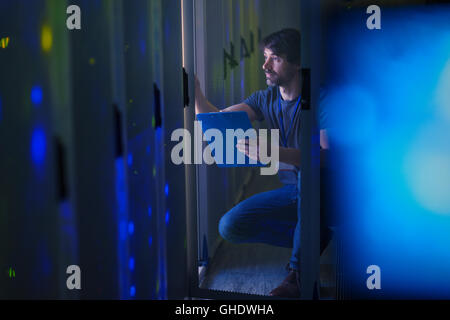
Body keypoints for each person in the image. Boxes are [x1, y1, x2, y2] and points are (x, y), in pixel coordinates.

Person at [194, 28, 331, 298]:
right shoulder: (265, 98)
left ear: (297, 63)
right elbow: (217, 121)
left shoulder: (323, 97)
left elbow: (327, 157)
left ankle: (298, 275)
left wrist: (275, 153)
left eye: (275, 58)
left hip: (332, 191)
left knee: (309, 176)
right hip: (296, 194)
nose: (265, 65)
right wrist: (195, 91)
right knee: (230, 226)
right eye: (265, 57)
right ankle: (314, 237)